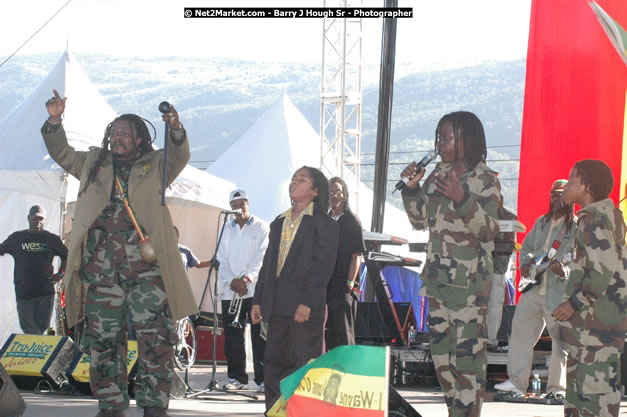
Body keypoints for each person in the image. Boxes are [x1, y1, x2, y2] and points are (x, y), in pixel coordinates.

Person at [41, 89, 197, 417]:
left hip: (147, 275)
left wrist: (176, 129)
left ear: (140, 139)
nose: (117, 138)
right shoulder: (94, 162)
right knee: (104, 344)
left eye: (125, 133)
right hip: (101, 275)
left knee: (156, 342)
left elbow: (179, 155)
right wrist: (55, 121)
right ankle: (111, 404)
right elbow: (63, 154)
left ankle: (154, 405)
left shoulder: (155, 164)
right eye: (113, 133)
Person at [400, 111, 501, 417]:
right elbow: (420, 220)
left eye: (447, 138)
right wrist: (412, 188)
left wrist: (461, 197)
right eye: (439, 138)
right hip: (437, 284)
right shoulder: (438, 175)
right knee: (443, 365)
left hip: (468, 289)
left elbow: (488, 230)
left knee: (467, 367)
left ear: (466, 140)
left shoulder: (485, 180)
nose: (440, 144)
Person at [251, 166, 339, 410]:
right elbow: (268, 264)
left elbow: (323, 268)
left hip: (304, 308)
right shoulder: (278, 222)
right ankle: (274, 411)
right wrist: (257, 299)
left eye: (302, 180)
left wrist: (308, 302)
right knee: (273, 368)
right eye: (293, 179)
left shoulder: (324, 224)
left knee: (302, 368)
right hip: (276, 305)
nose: (294, 183)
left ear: (315, 191)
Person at [552, 159, 627, 417]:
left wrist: (573, 303)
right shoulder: (602, 217)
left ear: (586, 187)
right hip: (594, 326)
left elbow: (601, 270)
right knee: (581, 397)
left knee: (593, 400)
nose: (566, 185)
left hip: (595, 328)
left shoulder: (593, 220)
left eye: (572, 180)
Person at [494, 179, 575, 400]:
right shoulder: (541, 222)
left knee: (561, 342)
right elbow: (527, 248)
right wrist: (528, 263)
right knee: (519, 334)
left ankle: (558, 389)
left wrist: (563, 271)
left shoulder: (576, 227)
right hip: (533, 290)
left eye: (560, 195)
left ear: (570, 199)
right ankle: (517, 383)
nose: (555, 199)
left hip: (558, 294)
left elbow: (579, 261)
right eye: (552, 195)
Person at [215, 189, 269, 393]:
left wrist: (246, 279)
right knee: (233, 337)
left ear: (249, 203)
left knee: (259, 336)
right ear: (230, 207)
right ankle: (237, 378)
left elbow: (262, 257)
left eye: (243, 203)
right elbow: (220, 259)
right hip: (232, 291)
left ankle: (263, 380)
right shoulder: (225, 229)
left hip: (255, 291)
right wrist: (232, 281)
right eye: (235, 204)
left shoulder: (261, 226)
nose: (239, 207)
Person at [0, 205, 68, 335]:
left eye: (41, 219)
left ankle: (38, 351)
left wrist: (60, 274)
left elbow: (67, 256)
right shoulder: (17, 238)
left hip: (45, 292)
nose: (38, 222)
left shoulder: (51, 239)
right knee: (28, 327)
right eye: (35, 218)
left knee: (43, 328)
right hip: (24, 292)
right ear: (28, 218)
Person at [325, 177, 365, 350]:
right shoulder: (324, 220)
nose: (334, 196)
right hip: (325, 285)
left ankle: (346, 372)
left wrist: (349, 283)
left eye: (337, 191)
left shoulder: (351, 221)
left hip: (344, 286)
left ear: (345, 194)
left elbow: (356, 255)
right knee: (328, 334)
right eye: (330, 192)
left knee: (344, 334)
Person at [487, 195, 517, 346]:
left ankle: (491, 341)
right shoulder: (477, 213)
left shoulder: (508, 217)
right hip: (475, 269)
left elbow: (509, 244)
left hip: (497, 267)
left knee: (494, 303)